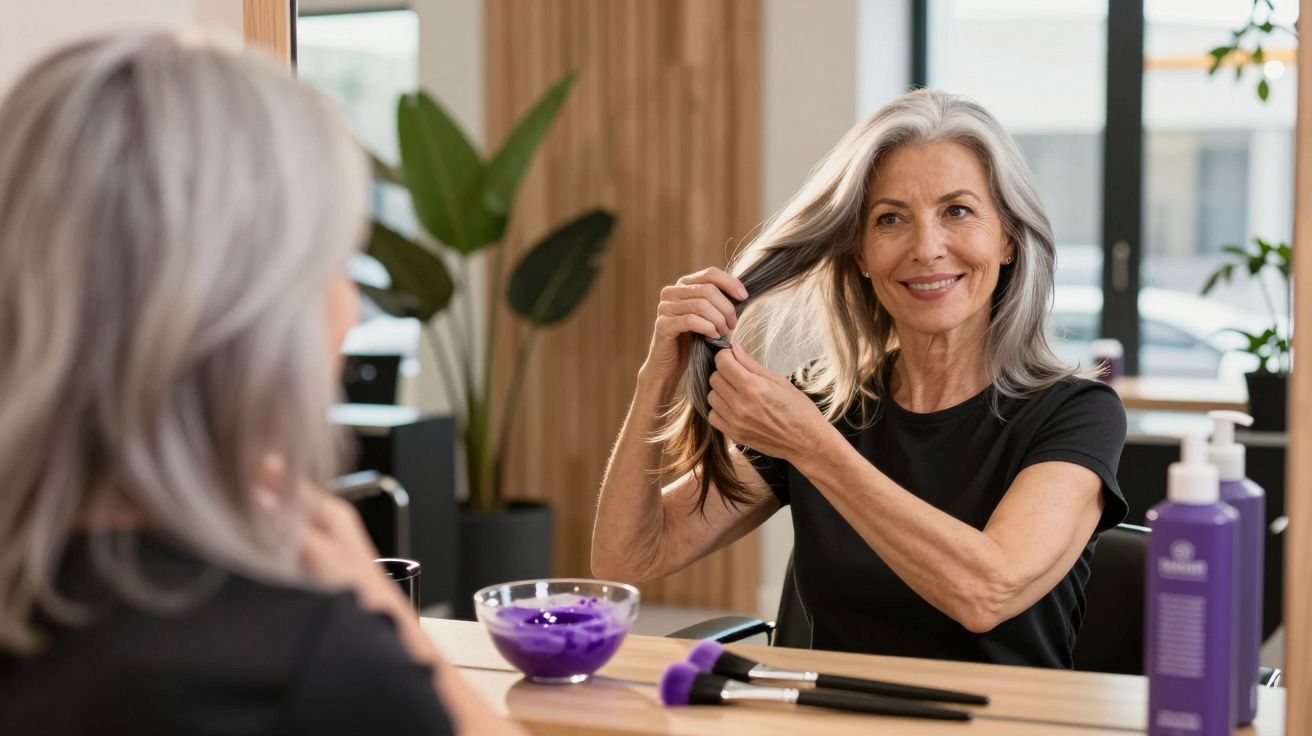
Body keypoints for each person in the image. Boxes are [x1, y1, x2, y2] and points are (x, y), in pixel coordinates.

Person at [0, 30, 521, 735]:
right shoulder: (308, 667)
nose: (353, 307)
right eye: (337, 263)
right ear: (256, 318)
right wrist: (383, 616)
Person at [592, 89, 1127, 669]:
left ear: (1007, 239)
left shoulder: (1077, 412)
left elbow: (986, 592)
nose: (926, 248)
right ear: (861, 254)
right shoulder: (825, 404)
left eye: (958, 211)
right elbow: (628, 560)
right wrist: (657, 378)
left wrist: (811, 447)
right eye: (891, 219)